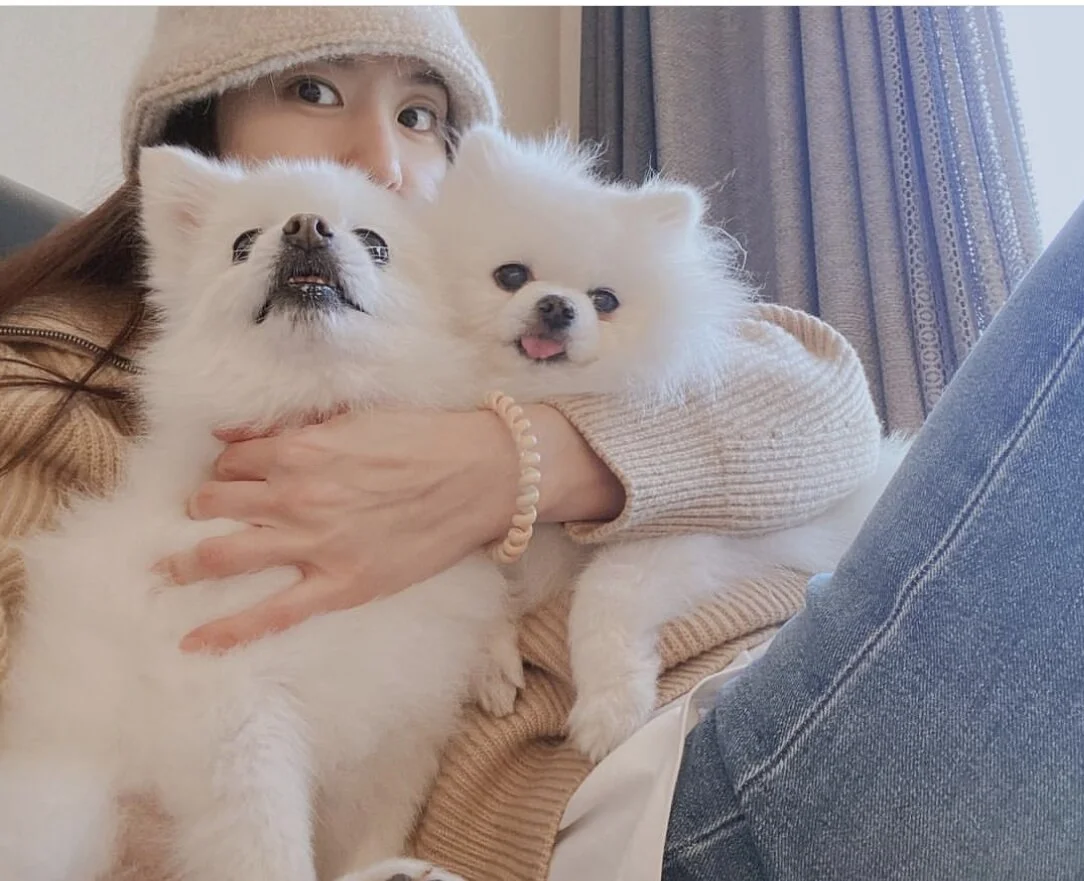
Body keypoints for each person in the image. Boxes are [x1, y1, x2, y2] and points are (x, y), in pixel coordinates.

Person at [0, 7, 879, 880]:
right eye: (313, 91)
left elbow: (828, 400)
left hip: (796, 657)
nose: (381, 156)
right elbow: (55, 702)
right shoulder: (69, 382)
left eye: (418, 115)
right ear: (203, 123)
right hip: (680, 774)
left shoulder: (485, 314)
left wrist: (523, 461)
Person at [662, 80, 1084, 879]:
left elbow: (832, 404)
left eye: (425, 118)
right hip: (714, 791)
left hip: (805, 680)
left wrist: (539, 458)